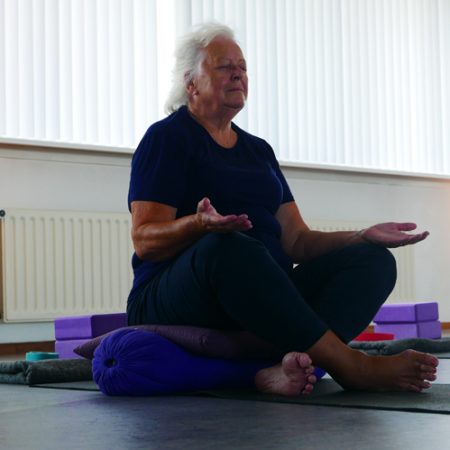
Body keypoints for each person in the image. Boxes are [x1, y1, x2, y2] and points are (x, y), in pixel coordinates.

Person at [126, 23, 438, 396]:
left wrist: (359, 236)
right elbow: (145, 241)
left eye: (242, 66)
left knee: (373, 260)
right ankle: (351, 365)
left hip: (262, 295)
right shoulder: (167, 138)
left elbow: (297, 241)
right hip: (174, 294)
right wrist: (198, 225)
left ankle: (281, 366)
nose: (238, 73)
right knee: (230, 247)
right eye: (224, 66)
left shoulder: (259, 151)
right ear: (191, 83)